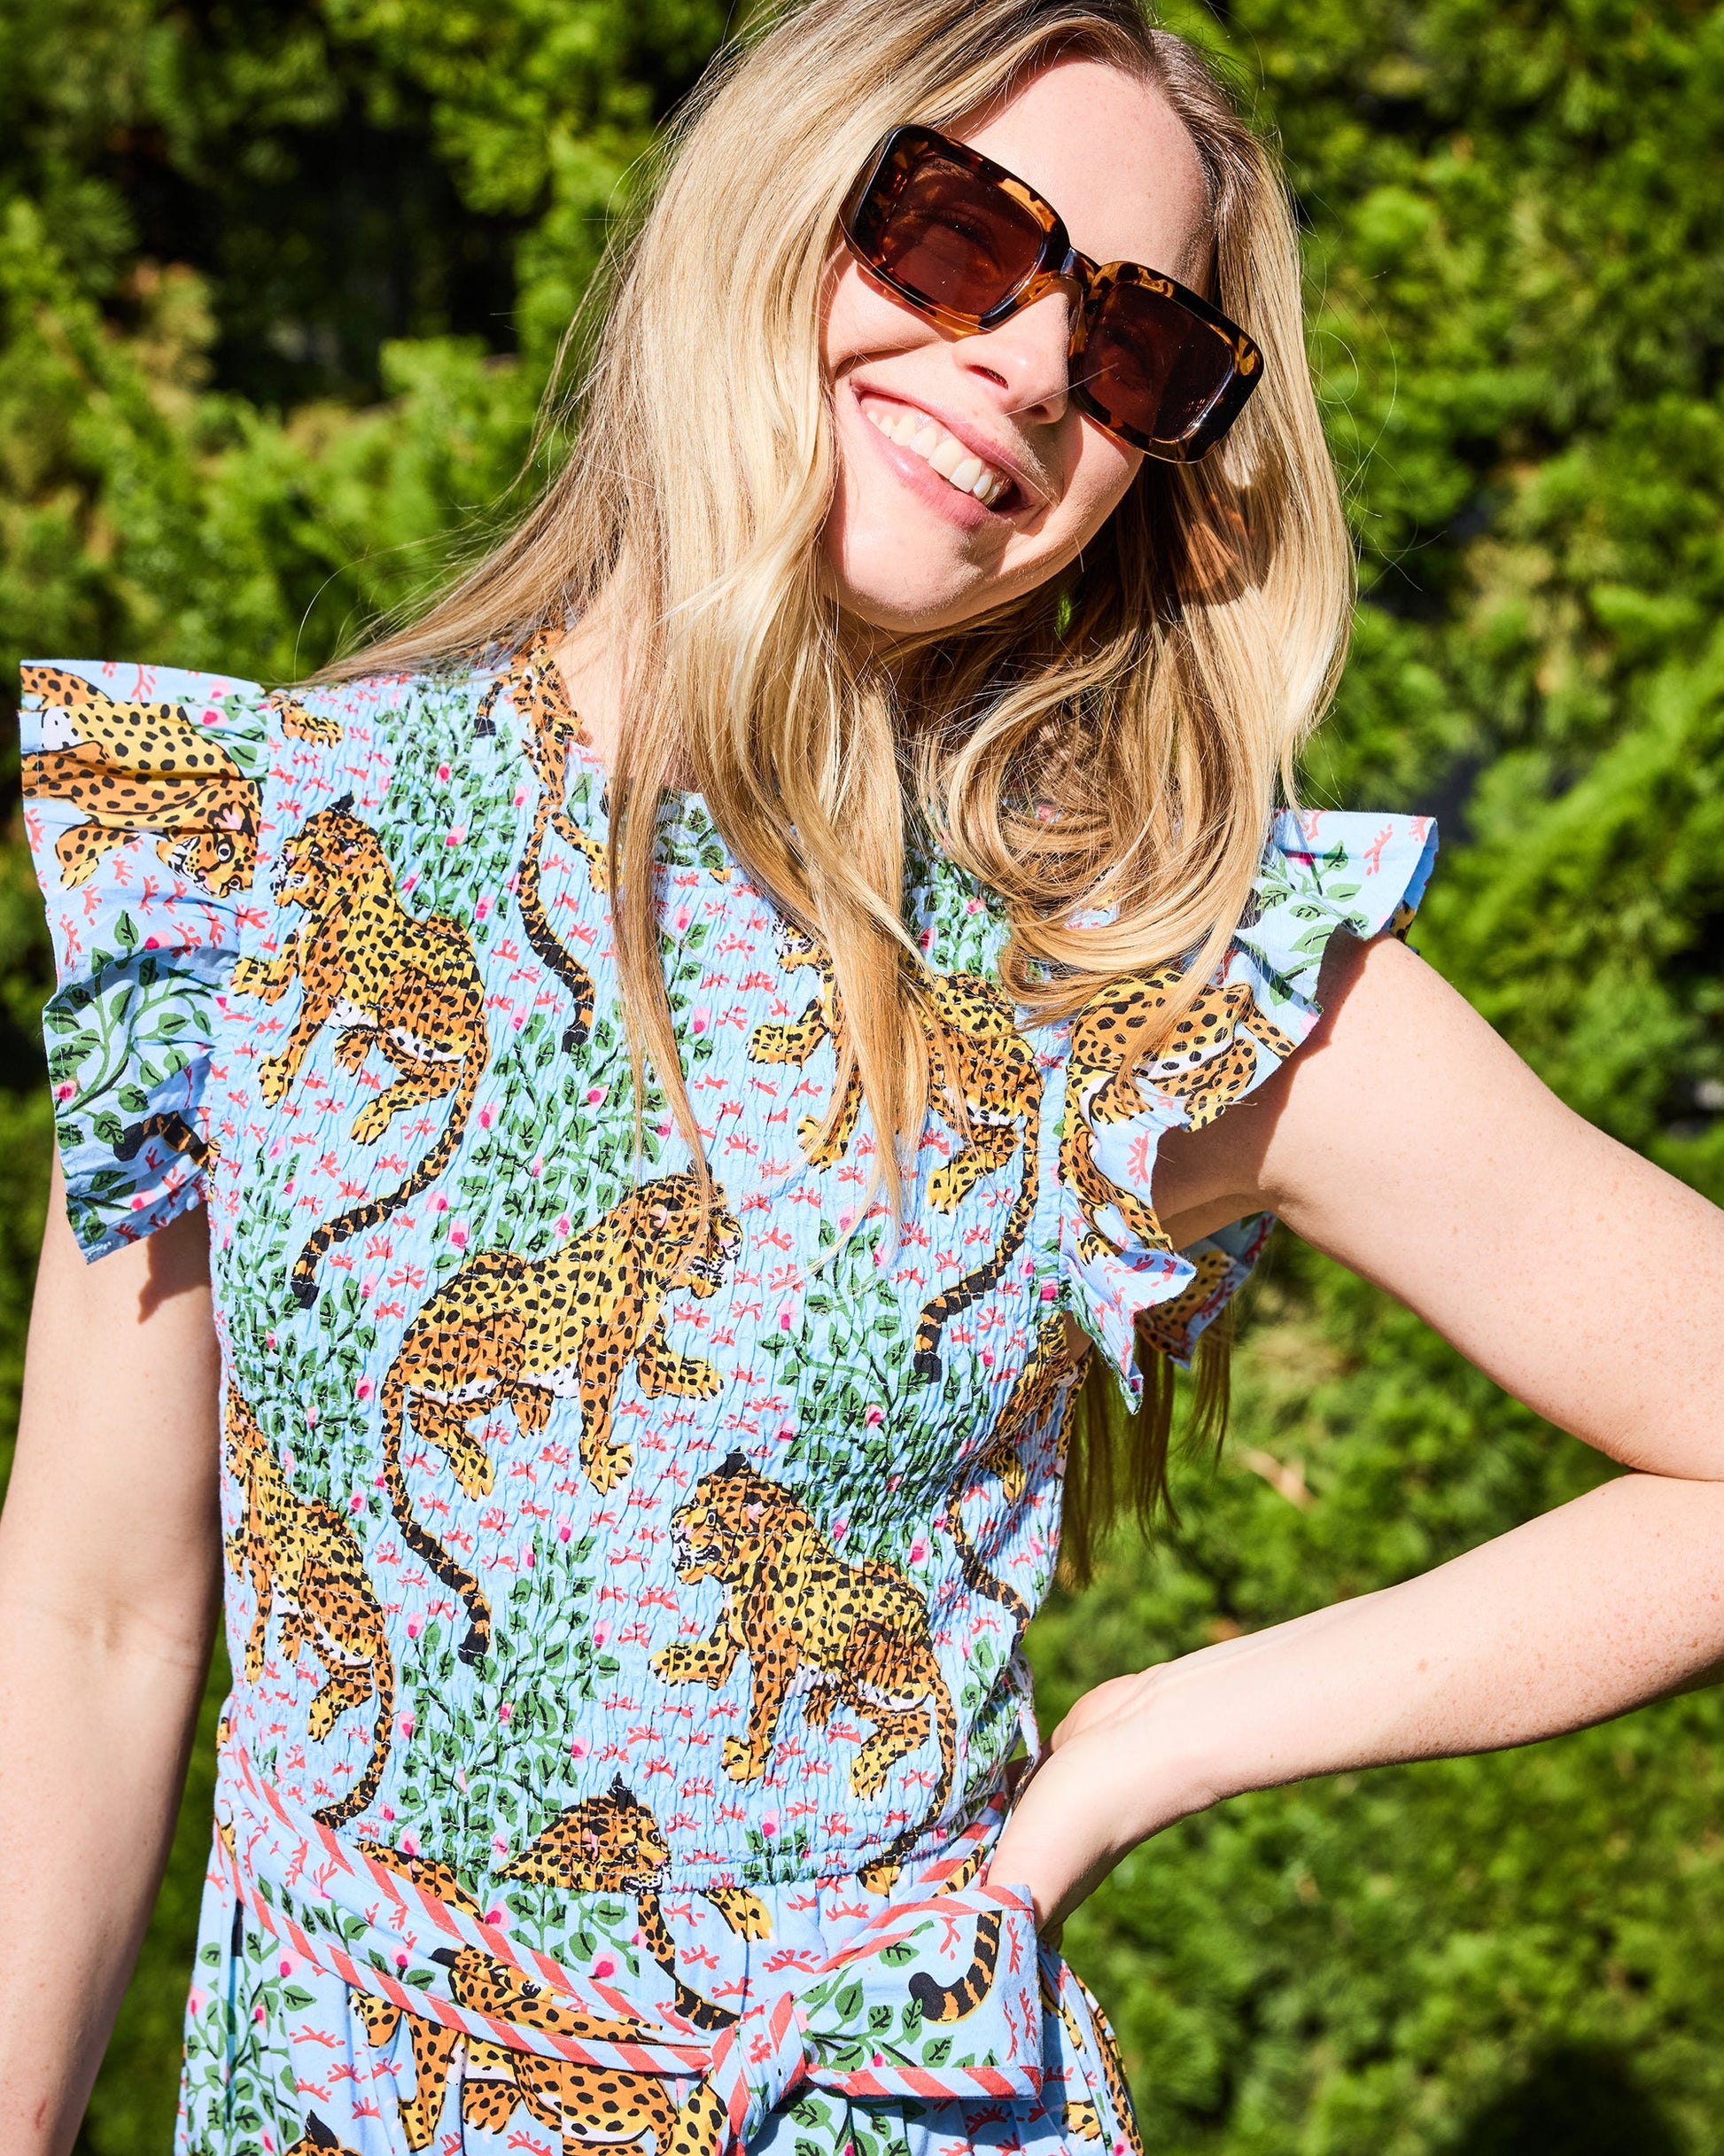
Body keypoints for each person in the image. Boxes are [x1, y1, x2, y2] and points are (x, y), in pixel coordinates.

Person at [3, 0, 1721, 2149]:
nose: (1033, 366)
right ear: (776, 190)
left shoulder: (1136, 968)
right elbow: (92, 1608)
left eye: (1135, 349)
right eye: (961, 236)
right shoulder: (256, 853)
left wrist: (1164, 1732)